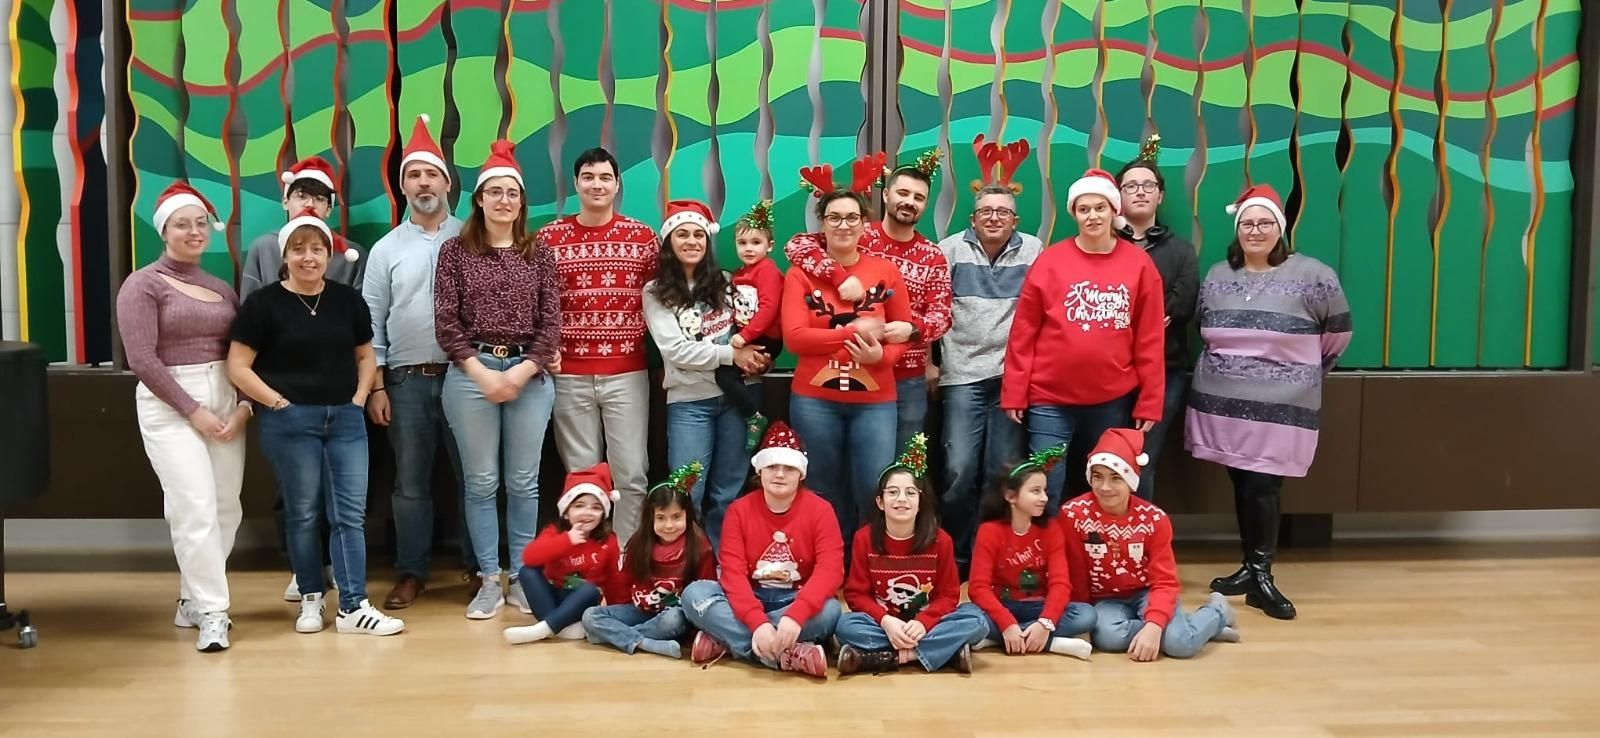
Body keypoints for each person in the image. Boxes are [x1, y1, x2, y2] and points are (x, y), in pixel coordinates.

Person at [226, 208, 403, 636]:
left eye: (318, 249)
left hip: (345, 418)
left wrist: (361, 395)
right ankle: (310, 597)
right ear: (285, 255)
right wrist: (277, 402)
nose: (310, 257)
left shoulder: (346, 300)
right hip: (290, 422)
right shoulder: (263, 304)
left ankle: (353, 605)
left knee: (349, 514)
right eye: (299, 249)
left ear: (330, 255)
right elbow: (238, 365)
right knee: (303, 513)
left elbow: (365, 354)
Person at [1188, 184, 1353, 621]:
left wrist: (1297, 375)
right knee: (1242, 483)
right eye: (1247, 223)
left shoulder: (1314, 274)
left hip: (1281, 408)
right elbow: (1205, 324)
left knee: (1264, 486)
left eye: (1264, 223)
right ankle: (1249, 566)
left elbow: (1337, 334)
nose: (1255, 230)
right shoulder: (1219, 274)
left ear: (1279, 228)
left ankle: (1261, 575)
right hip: (1222, 404)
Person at [434, 140, 563, 620]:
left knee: (525, 482)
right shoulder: (455, 252)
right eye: (495, 192)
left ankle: (523, 580)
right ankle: (489, 578)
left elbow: (551, 322)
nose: (504, 200)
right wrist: (484, 375)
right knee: (481, 481)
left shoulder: (540, 253)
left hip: (531, 375)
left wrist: (524, 371)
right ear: (480, 200)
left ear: (521, 203)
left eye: (513, 193)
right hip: (472, 375)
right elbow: (446, 322)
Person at [117, 182, 248, 652]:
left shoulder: (219, 288)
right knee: (192, 506)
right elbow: (143, 360)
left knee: (225, 507)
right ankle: (214, 611)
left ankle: (191, 598)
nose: (193, 232)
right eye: (181, 224)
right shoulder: (142, 284)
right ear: (164, 231)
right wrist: (192, 411)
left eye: (199, 223)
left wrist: (244, 407)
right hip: (171, 405)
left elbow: (243, 353)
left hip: (225, 399)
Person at [1002, 168, 1166, 510]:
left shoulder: (1139, 265)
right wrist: (1015, 391)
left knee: (1104, 485)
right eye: (1084, 209)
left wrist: (1150, 399)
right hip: (1049, 399)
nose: (1092, 215)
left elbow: (1149, 338)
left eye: (1100, 207)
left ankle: (1094, 558)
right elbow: (1023, 333)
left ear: (1113, 211)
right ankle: (1046, 559)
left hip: (1111, 399)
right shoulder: (1050, 261)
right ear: (1074, 214)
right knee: (1044, 486)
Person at [362, 114, 472, 610]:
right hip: (405, 381)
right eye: (413, 175)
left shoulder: (471, 236)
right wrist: (377, 386)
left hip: (467, 378)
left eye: (431, 174)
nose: (423, 183)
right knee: (410, 483)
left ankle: (480, 567)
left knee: (476, 475)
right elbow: (371, 320)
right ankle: (411, 571)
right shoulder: (386, 250)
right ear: (403, 185)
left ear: (447, 183)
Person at [243, 155, 365, 603]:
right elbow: (249, 325)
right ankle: (303, 569)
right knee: (295, 493)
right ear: (286, 200)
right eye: (301, 194)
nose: (308, 202)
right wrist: (266, 397)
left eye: (318, 197)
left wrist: (359, 393)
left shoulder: (351, 257)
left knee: (342, 495)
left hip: (337, 395)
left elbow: (360, 334)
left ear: (330, 208)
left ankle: (336, 570)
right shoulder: (262, 249)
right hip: (283, 394)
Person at [782, 158, 914, 543]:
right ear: (822, 223)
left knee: (874, 488)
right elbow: (795, 337)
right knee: (822, 488)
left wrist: (881, 358)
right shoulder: (800, 273)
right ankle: (828, 568)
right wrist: (854, 331)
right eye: (835, 218)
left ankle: (867, 569)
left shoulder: (885, 272)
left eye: (852, 217)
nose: (844, 225)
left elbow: (900, 333)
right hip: (814, 399)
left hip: (876, 399)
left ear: (864, 223)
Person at [786, 151, 952, 448]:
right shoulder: (858, 234)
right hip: (844, 372)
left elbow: (942, 315)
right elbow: (796, 246)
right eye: (902, 193)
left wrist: (912, 330)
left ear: (925, 205)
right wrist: (838, 276)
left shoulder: (933, 256)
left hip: (907, 378)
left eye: (919, 197)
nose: (909, 202)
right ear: (886, 194)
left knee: (899, 467)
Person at [538, 147, 659, 544]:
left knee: (632, 473)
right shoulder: (548, 239)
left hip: (626, 373)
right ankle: (588, 559)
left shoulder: (642, 237)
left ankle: (626, 557)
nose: (597, 184)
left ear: (617, 184)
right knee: (581, 477)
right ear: (576, 184)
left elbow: (666, 299)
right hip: (568, 373)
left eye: (605, 177)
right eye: (588, 177)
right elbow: (538, 302)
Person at [936, 136, 1043, 575]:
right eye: (986, 212)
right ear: (972, 219)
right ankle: (959, 557)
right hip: (961, 374)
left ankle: (992, 557)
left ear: (1015, 218)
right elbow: (934, 310)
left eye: (1002, 212)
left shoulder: (1035, 250)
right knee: (959, 470)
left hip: (1012, 378)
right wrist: (931, 362)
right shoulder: (949, 251)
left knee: (1004, 473)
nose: (994, 218)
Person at [642, 200, 772, 547]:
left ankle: (722, 562)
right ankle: (686, 566)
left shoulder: (728, 282)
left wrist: (759, 357)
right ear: (669, 242)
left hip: (740, 399)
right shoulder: (655, 293)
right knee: (688, 490)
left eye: (699, 234)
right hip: (690, 403)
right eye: (682, 234)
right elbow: (676, 351)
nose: (692, 241)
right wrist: (734, 354)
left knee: (728, 490)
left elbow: (753, 326)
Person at [681, 423, 844, 678]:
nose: (780, 474)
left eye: (789, 468)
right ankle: (784, 656)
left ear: (800, 473)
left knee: (831, 611)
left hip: (794, 598)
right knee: (694, 594)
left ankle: (726, 640)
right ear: (760, 470)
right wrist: (757, 624)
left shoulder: (821, 511)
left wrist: (795, 617)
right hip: (747, 598)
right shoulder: (738, 510)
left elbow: (831, 571)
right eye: (772, 467)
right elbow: (732, 573)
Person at [1061, 428, 1240, 661]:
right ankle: (1191, 628)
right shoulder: (1073, 515)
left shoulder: (1154, 519)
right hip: (1105, 600)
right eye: (1098, 477)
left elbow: (1165, 581)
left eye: (1116, 477)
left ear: (1131, 480)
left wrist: (1155, 626)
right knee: (1108, 639)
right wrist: (1082, 615)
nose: (1105, 487)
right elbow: (1075, 572)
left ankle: (1215, 613)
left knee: (1180, 646)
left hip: (1148, 592)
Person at [836, 434, 988, 675]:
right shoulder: (864, 538)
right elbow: (855, 594)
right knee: (844, 625)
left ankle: (892, 657)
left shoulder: (942, 541)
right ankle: (943, 653)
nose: (901, 499)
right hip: (884, 624)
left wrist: (923, 623)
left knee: (978, 619)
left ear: (920, 501)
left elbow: (949, 595)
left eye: (910, 493)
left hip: (927, 624)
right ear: (880, 502)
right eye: (893, 492)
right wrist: (886, 622)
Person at [1114, 136, 1199, 500]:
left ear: (1160, 196)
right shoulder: (1104, 244)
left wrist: (1141, 320)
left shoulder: (1180, 249)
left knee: (1141, 457)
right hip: (1109, 369)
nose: (1140, 192)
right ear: (1118, 195)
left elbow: (1181, 304)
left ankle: (1140, 542)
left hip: (1165, 367)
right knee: (1107, 456)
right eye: (1131, 186)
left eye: (1148, 186)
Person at [967, 445, 1094, 659]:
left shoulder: (1051, 529)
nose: (1044, 497)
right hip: (1002, 606)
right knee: (967, 616)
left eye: (1044, 490)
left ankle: (1003, 640)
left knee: (1086, 614)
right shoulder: (989, 531)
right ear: (1011, 496)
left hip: (1037, 607)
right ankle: (1052, 644)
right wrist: (1007, 624)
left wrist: (1045, 623)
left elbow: (1061, 583)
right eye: (1035, 491)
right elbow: (978, 588)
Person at [583, 461, 716, 659]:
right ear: (650, 518)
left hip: (676, 615)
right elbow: (625, 582)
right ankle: (647, 643)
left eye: (676, 517)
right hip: (641, 610)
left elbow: (707, 589)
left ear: (687, 516)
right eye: (661, 518)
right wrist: (613, 606)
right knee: (591, 616)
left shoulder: (699, 545)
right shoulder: (638, 543)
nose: (669, 525)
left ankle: (615, 637)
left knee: (673, 620)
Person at [503, 463, 622, 645]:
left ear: (603, 514)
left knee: (590, 590)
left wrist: (617, 612)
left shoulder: (608, 540)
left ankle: (543, 630)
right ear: (566, 512)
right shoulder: (554, 532)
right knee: (527, 571)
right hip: (552, 596)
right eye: (579, 506)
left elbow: (614, 580)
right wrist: (567, 540)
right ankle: (558, 627)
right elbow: (529, 557)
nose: (587, 513)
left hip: (580, 601)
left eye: (596, 507)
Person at [724, 199, 785, 448]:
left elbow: (769, 308)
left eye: (755, 242)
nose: (748, 248)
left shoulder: (767, 270)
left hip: (765, 337)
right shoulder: (739, 274)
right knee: (730, 375)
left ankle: (754, 418)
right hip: (749, 335)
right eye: (742, 243)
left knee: (724, 375)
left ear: (769, 246)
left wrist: (745, 336)